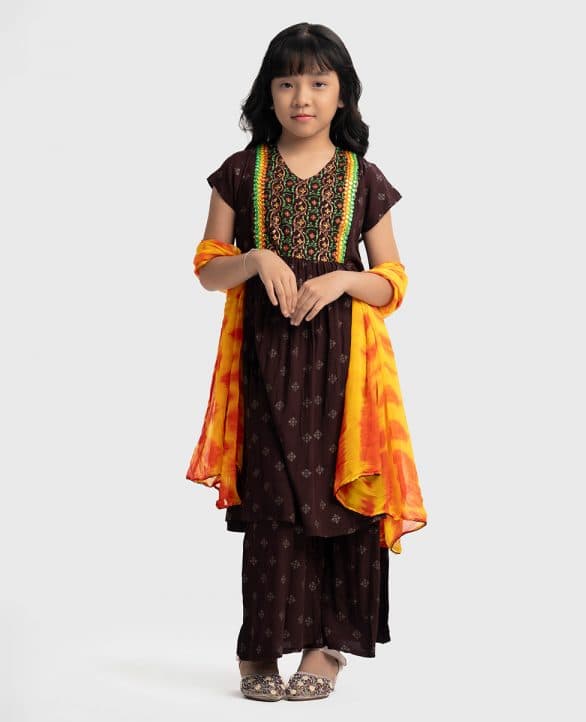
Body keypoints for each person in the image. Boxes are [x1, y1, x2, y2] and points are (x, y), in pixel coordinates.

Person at [186, 22, 427, 701]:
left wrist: (346, 279)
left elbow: (393, 282)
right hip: (265, 361)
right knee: (273, 502)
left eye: (319, 82)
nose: (302, 96)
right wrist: (255, 259)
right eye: (288, 81)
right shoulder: (241, 172)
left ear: (343, 95)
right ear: (268, 92)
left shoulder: (362, 178)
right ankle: (259, 648)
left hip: (347, 369)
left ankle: (326, 649)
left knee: (340, 502)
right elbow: (207, 270)